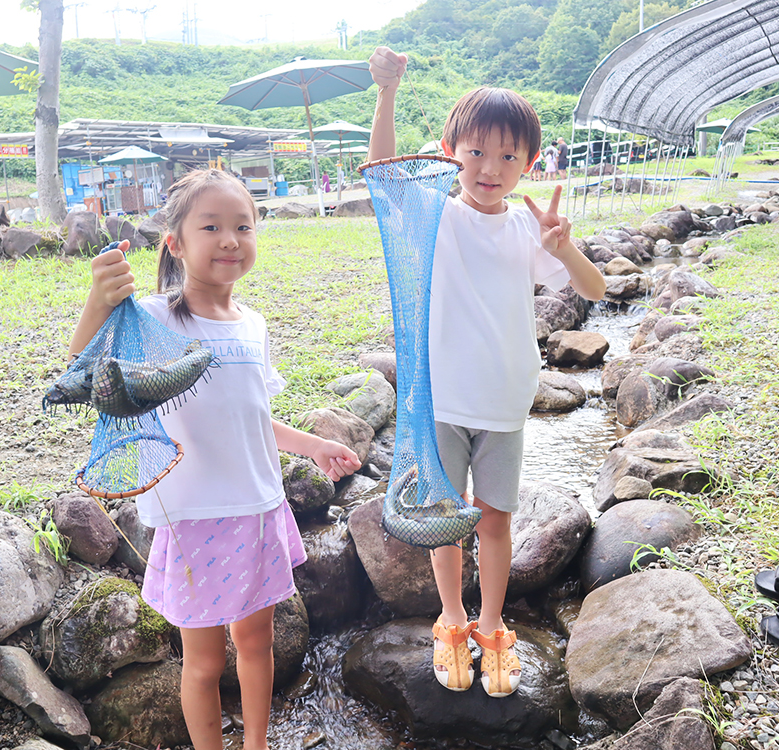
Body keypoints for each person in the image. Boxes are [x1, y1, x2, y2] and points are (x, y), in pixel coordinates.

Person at [68, 169, 362, 750]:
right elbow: (83, 373)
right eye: (212, 227)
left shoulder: (253, 325)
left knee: (257, 643)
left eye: (243, 227)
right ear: (174, 242)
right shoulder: (152, 317)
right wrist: (98, 302)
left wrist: (315, 443)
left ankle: (256, 743)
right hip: (195, 518)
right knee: (201, 661)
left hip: (259, 509)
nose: (230, 239)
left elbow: (252, 416)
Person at [368, 46, 605, 698]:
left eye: (508, 157)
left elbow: (596, 283)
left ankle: (493, 624)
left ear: (530, 163)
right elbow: (386, 173)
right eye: (475, 153)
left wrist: (565, 246)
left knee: (495, 522)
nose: (490, 169)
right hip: (442, 399)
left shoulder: (530, 231)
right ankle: (450, 618)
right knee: (446, 522)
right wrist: (386, 92)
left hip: (504, 403)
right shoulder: (434, 217)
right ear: (449, 151)